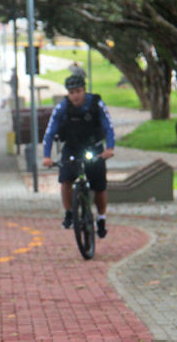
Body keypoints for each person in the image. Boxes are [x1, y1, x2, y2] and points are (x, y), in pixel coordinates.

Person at [41, 74, 114, 238]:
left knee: (99, 187)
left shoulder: (96, 104)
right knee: (66, 180)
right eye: (72, 92)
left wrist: (109, 148)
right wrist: (47, 156)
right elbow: (49, 133)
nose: (75, 95)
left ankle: (101, 218)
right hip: (72, 148)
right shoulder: (62, 108)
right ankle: (69, 212)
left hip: (94, 148)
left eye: (78, 91)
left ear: (84, 90)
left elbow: (108, 127)